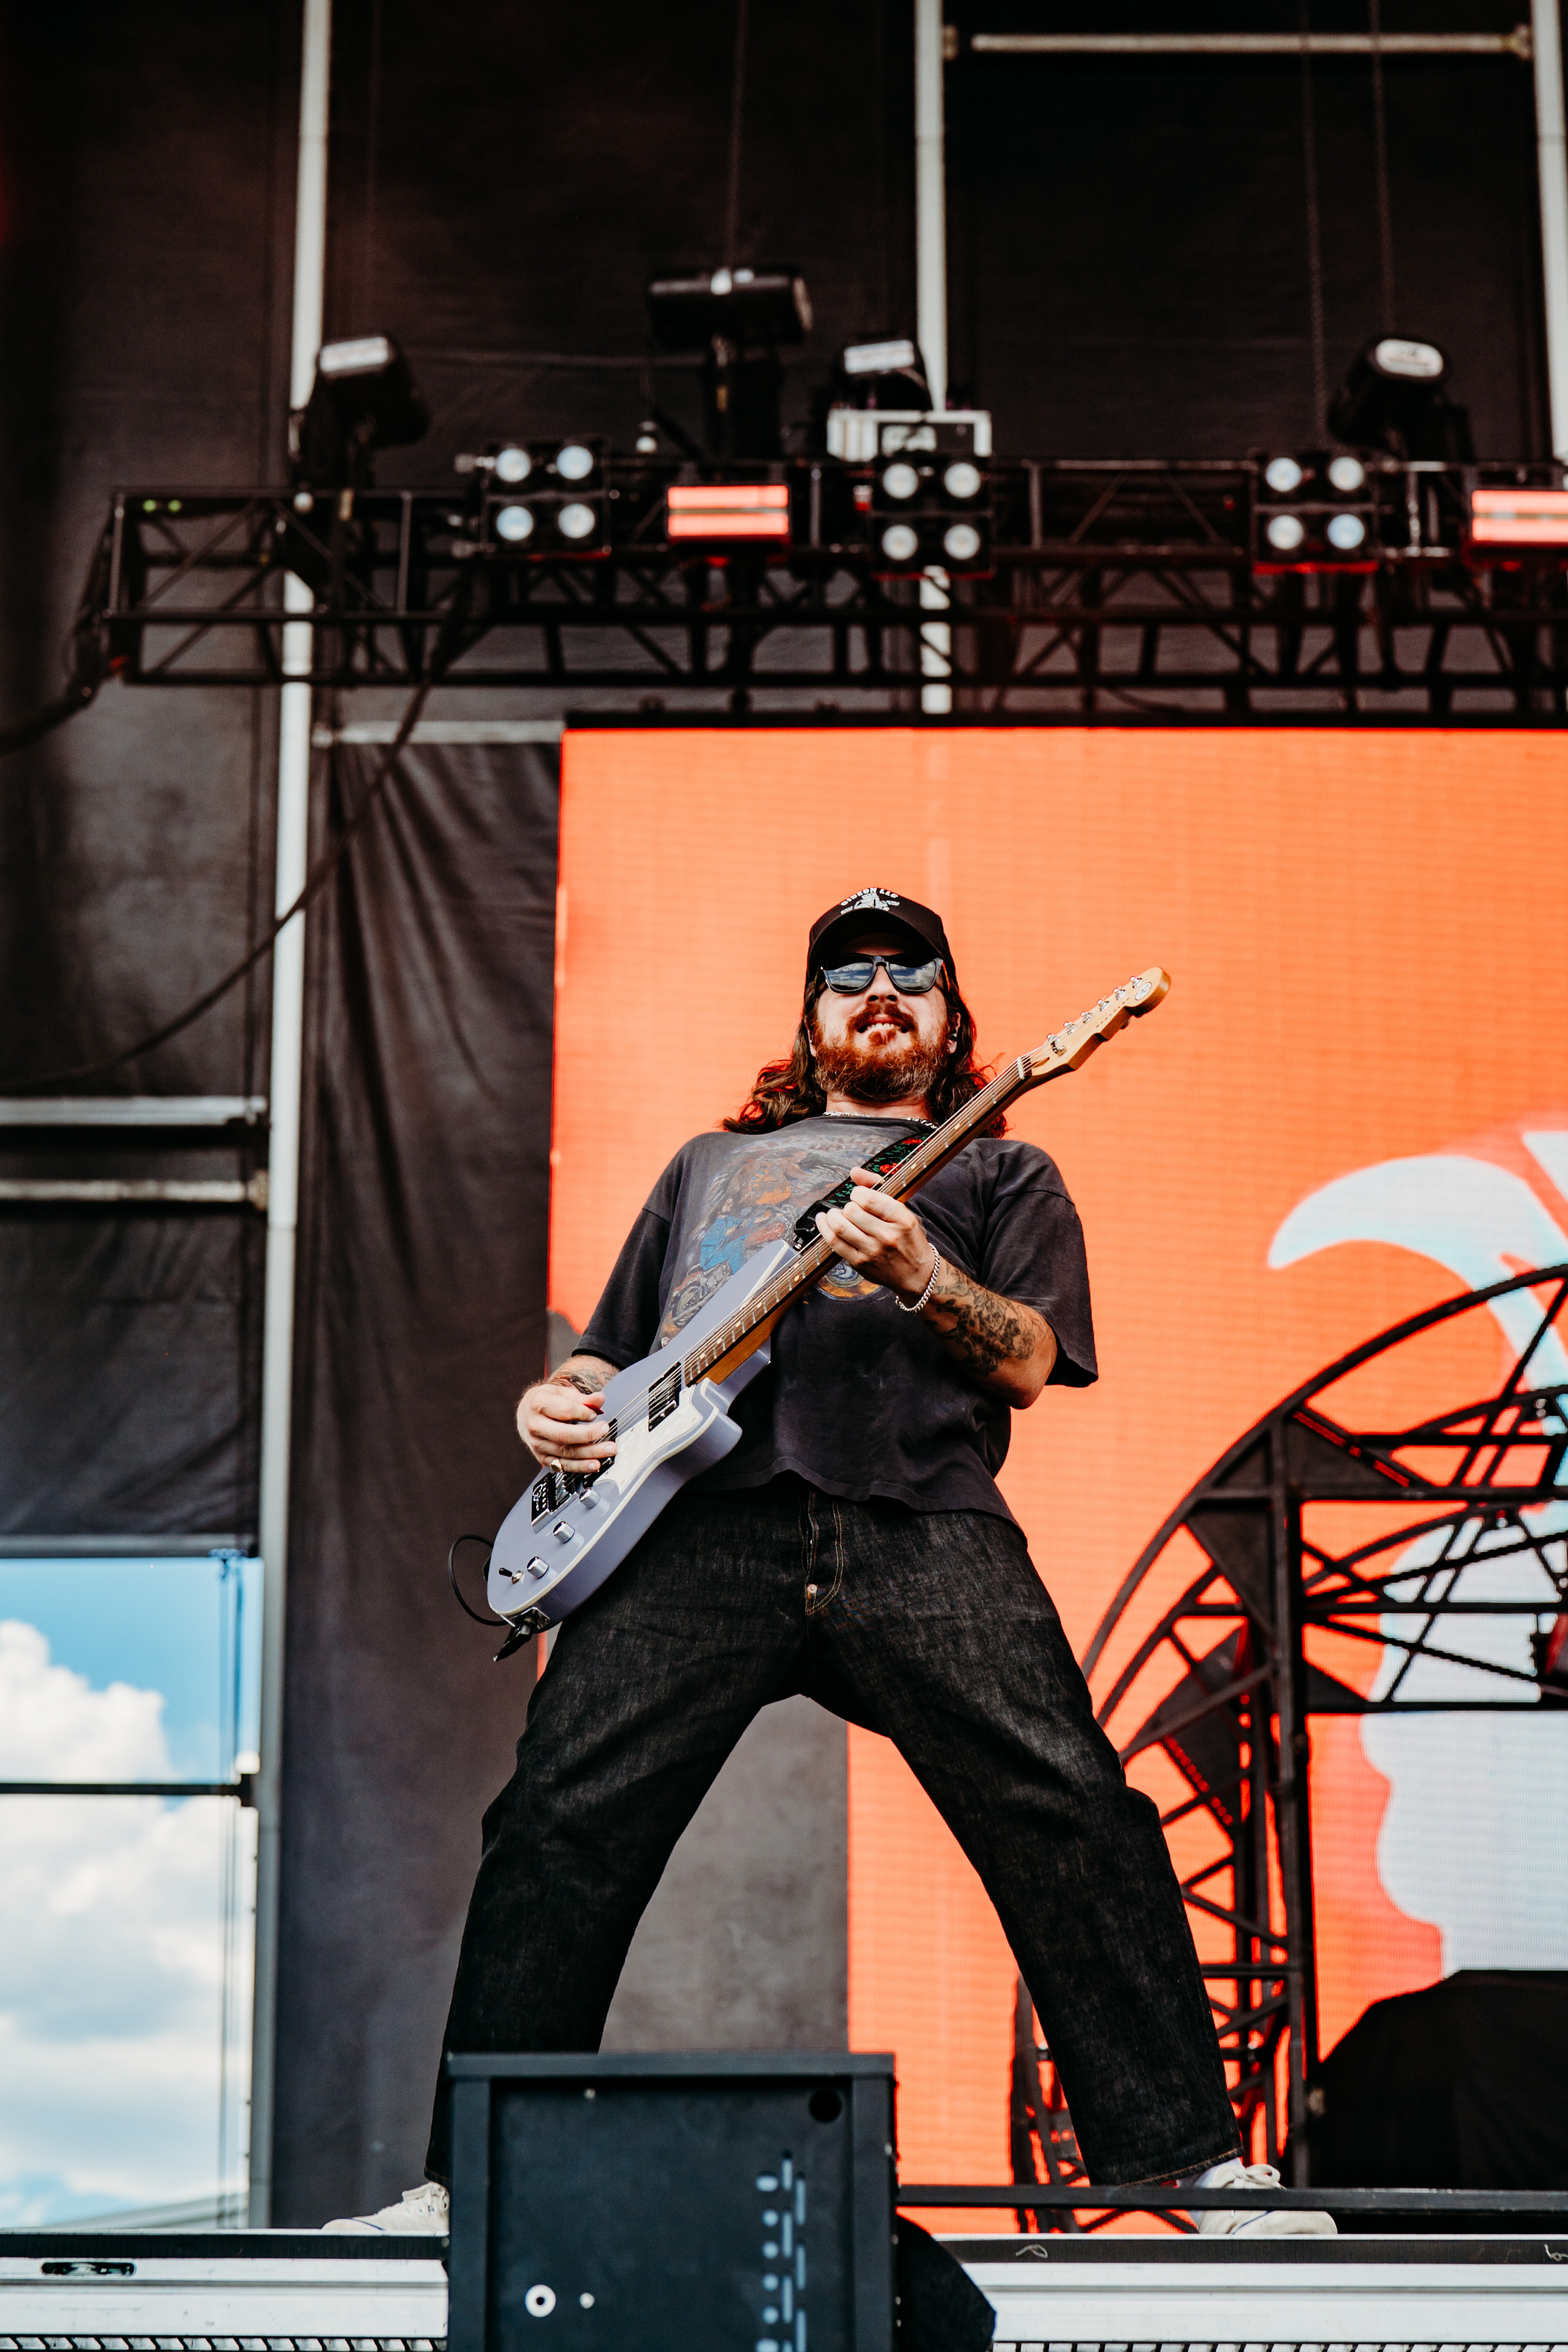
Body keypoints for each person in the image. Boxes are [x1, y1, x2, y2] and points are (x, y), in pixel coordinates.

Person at [327, 887, 1331, 2239]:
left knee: (1073, 1803)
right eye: (848, 977)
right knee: (558, 1820)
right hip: (696, 1530)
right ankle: (469, 2188)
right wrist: (551, 1404)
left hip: (922, 1519)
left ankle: (1195, 2169)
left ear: (950, 1022)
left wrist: (924, 1273)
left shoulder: (1004, 1173)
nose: (880, 993)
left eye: (911, 976)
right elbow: (611, 1355)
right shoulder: (706, 1167)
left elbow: (1033, 1359)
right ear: (810, 1026)